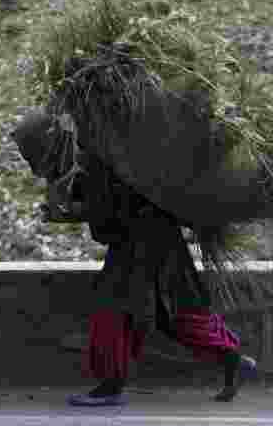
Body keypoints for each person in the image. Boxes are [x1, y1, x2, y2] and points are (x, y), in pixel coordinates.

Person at [67, 155, 258, 406]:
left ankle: (110, 386)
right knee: (173, 315)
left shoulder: (98, 165)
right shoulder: (122, 155)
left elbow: (106, 225)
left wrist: (74, 211)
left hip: (138, 251)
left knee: (113, 311)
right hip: (162, 246)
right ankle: (233, 360)